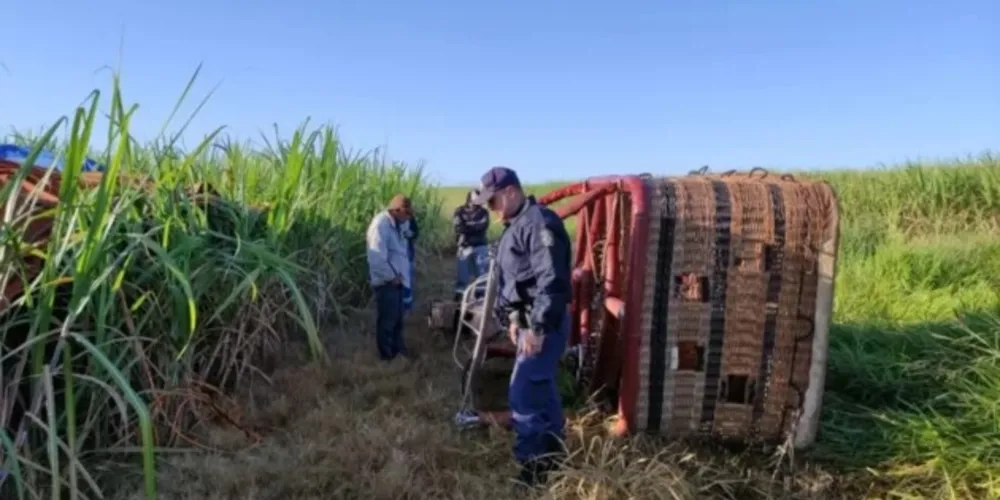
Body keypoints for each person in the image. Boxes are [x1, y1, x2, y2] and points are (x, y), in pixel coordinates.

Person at [469, 166, 572, 487]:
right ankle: (554, 455)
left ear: (511, 192)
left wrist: (537, 328)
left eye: (493, 201)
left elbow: (551, 281)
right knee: (542, 388)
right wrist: (515, 319)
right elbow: (515, 281)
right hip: (528, 320)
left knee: (523, 394)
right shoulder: (515, 226)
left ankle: (533, 471)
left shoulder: (539, 224)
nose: (491, 209)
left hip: (543, 323)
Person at [365, 194, 413, 361]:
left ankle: (399, 352)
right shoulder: (380, 225)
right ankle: (387, 357)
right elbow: (376, 257)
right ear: (397, 210)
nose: (409, 217)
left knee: (398, 320)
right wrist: (391, 277)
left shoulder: (399, 224)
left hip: (398, 280)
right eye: (407, 213)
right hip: (387, 282)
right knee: (387, 321)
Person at [452, 190, 490, 299]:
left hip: (480, 245)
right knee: (462, 273)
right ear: (469, 198)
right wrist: (473, 226)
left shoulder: (483, 212)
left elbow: (482, 227)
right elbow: (458, 227)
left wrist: (467, 226)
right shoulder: (459, 211)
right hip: (464, 246)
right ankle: (460, 295)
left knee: (482, 273)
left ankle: (481, 296)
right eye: (476, 196)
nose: (478, 199)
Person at [400, 214, 419, 313]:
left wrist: (411, 234)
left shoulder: (410, 217)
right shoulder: (391, 221)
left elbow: (416, 232)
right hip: (396, 254)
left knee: (407, 279)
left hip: (407, 251)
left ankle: (407, 307)